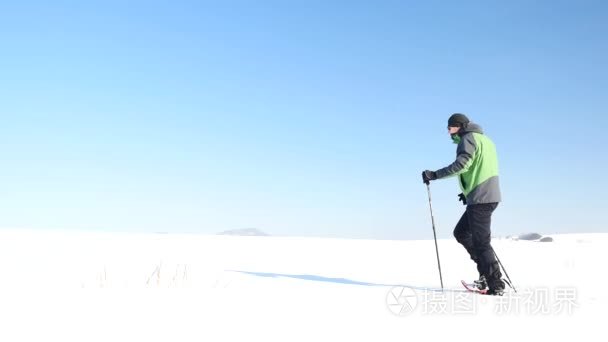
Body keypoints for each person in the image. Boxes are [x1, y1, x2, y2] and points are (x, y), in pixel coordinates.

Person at [422, 113, 506, 295]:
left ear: (459, 126)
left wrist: (434, 175)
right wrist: (467, 192)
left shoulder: (467, 139)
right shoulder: (485, 140)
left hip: (481, 198)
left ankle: (495, 283)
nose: (448, 132)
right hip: (485, 195)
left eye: (450, 128)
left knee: (481, 243)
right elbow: (481, 168)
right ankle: (486, 275)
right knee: (461, 233)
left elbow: (462, 165)